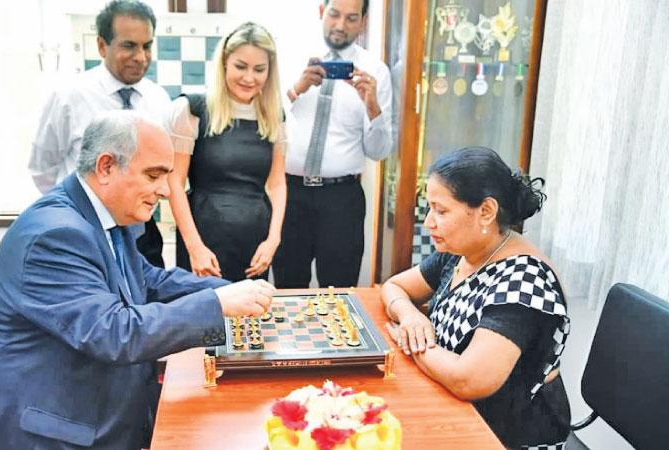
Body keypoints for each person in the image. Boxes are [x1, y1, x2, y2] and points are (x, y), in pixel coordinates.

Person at [0, 112, 275, 449]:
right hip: (57, 433)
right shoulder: (54, 235)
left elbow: (147, 281)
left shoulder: (101, 214)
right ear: (106, 167)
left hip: (102, 405)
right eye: (153, 176)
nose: (164, 191)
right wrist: (218, 305)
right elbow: (113, 332)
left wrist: (232, 293)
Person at [381, 147, 571, 448]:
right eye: (429, 208)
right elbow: (393, 286)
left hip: (504, 432)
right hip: (454, 405)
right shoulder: (463, 252)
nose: (429, 222)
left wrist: (410, 341)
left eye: (441, 211)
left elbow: (469, 379)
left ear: (486, 211)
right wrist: (411, 316)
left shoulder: (524, 281)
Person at [29, 0, 169, 268]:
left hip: (141, 236)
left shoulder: (158, 99)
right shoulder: (69, 97)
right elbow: (43, 170)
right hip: (85, 235)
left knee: (151, 301)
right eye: (129, 45)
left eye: (147, 46)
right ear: (103, 46)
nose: (140, 57)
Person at [274, 0, 393, 288]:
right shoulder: (288, 58)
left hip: (342, 199)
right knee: (287, 286)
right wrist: (295, 90)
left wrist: (372, 106)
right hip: (288, 194)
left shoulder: (375, 72)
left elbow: (378, 152)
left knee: (339, 290)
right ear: (320, 12)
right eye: (334, 15)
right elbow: (265, 125)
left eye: (352, 18)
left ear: (363, 22)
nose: (341, 25)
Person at [168, 22, 286, 282]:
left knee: (251, 318)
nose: (249, 78)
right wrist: (194, 247)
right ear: (224, 63)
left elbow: (277, 183)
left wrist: (273, 240)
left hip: (255, 241)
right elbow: (174, 183)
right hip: (203, 237)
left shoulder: (275, 116)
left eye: (259, 69)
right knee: (203, 317)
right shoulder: (192, 110)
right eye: (240, 66)